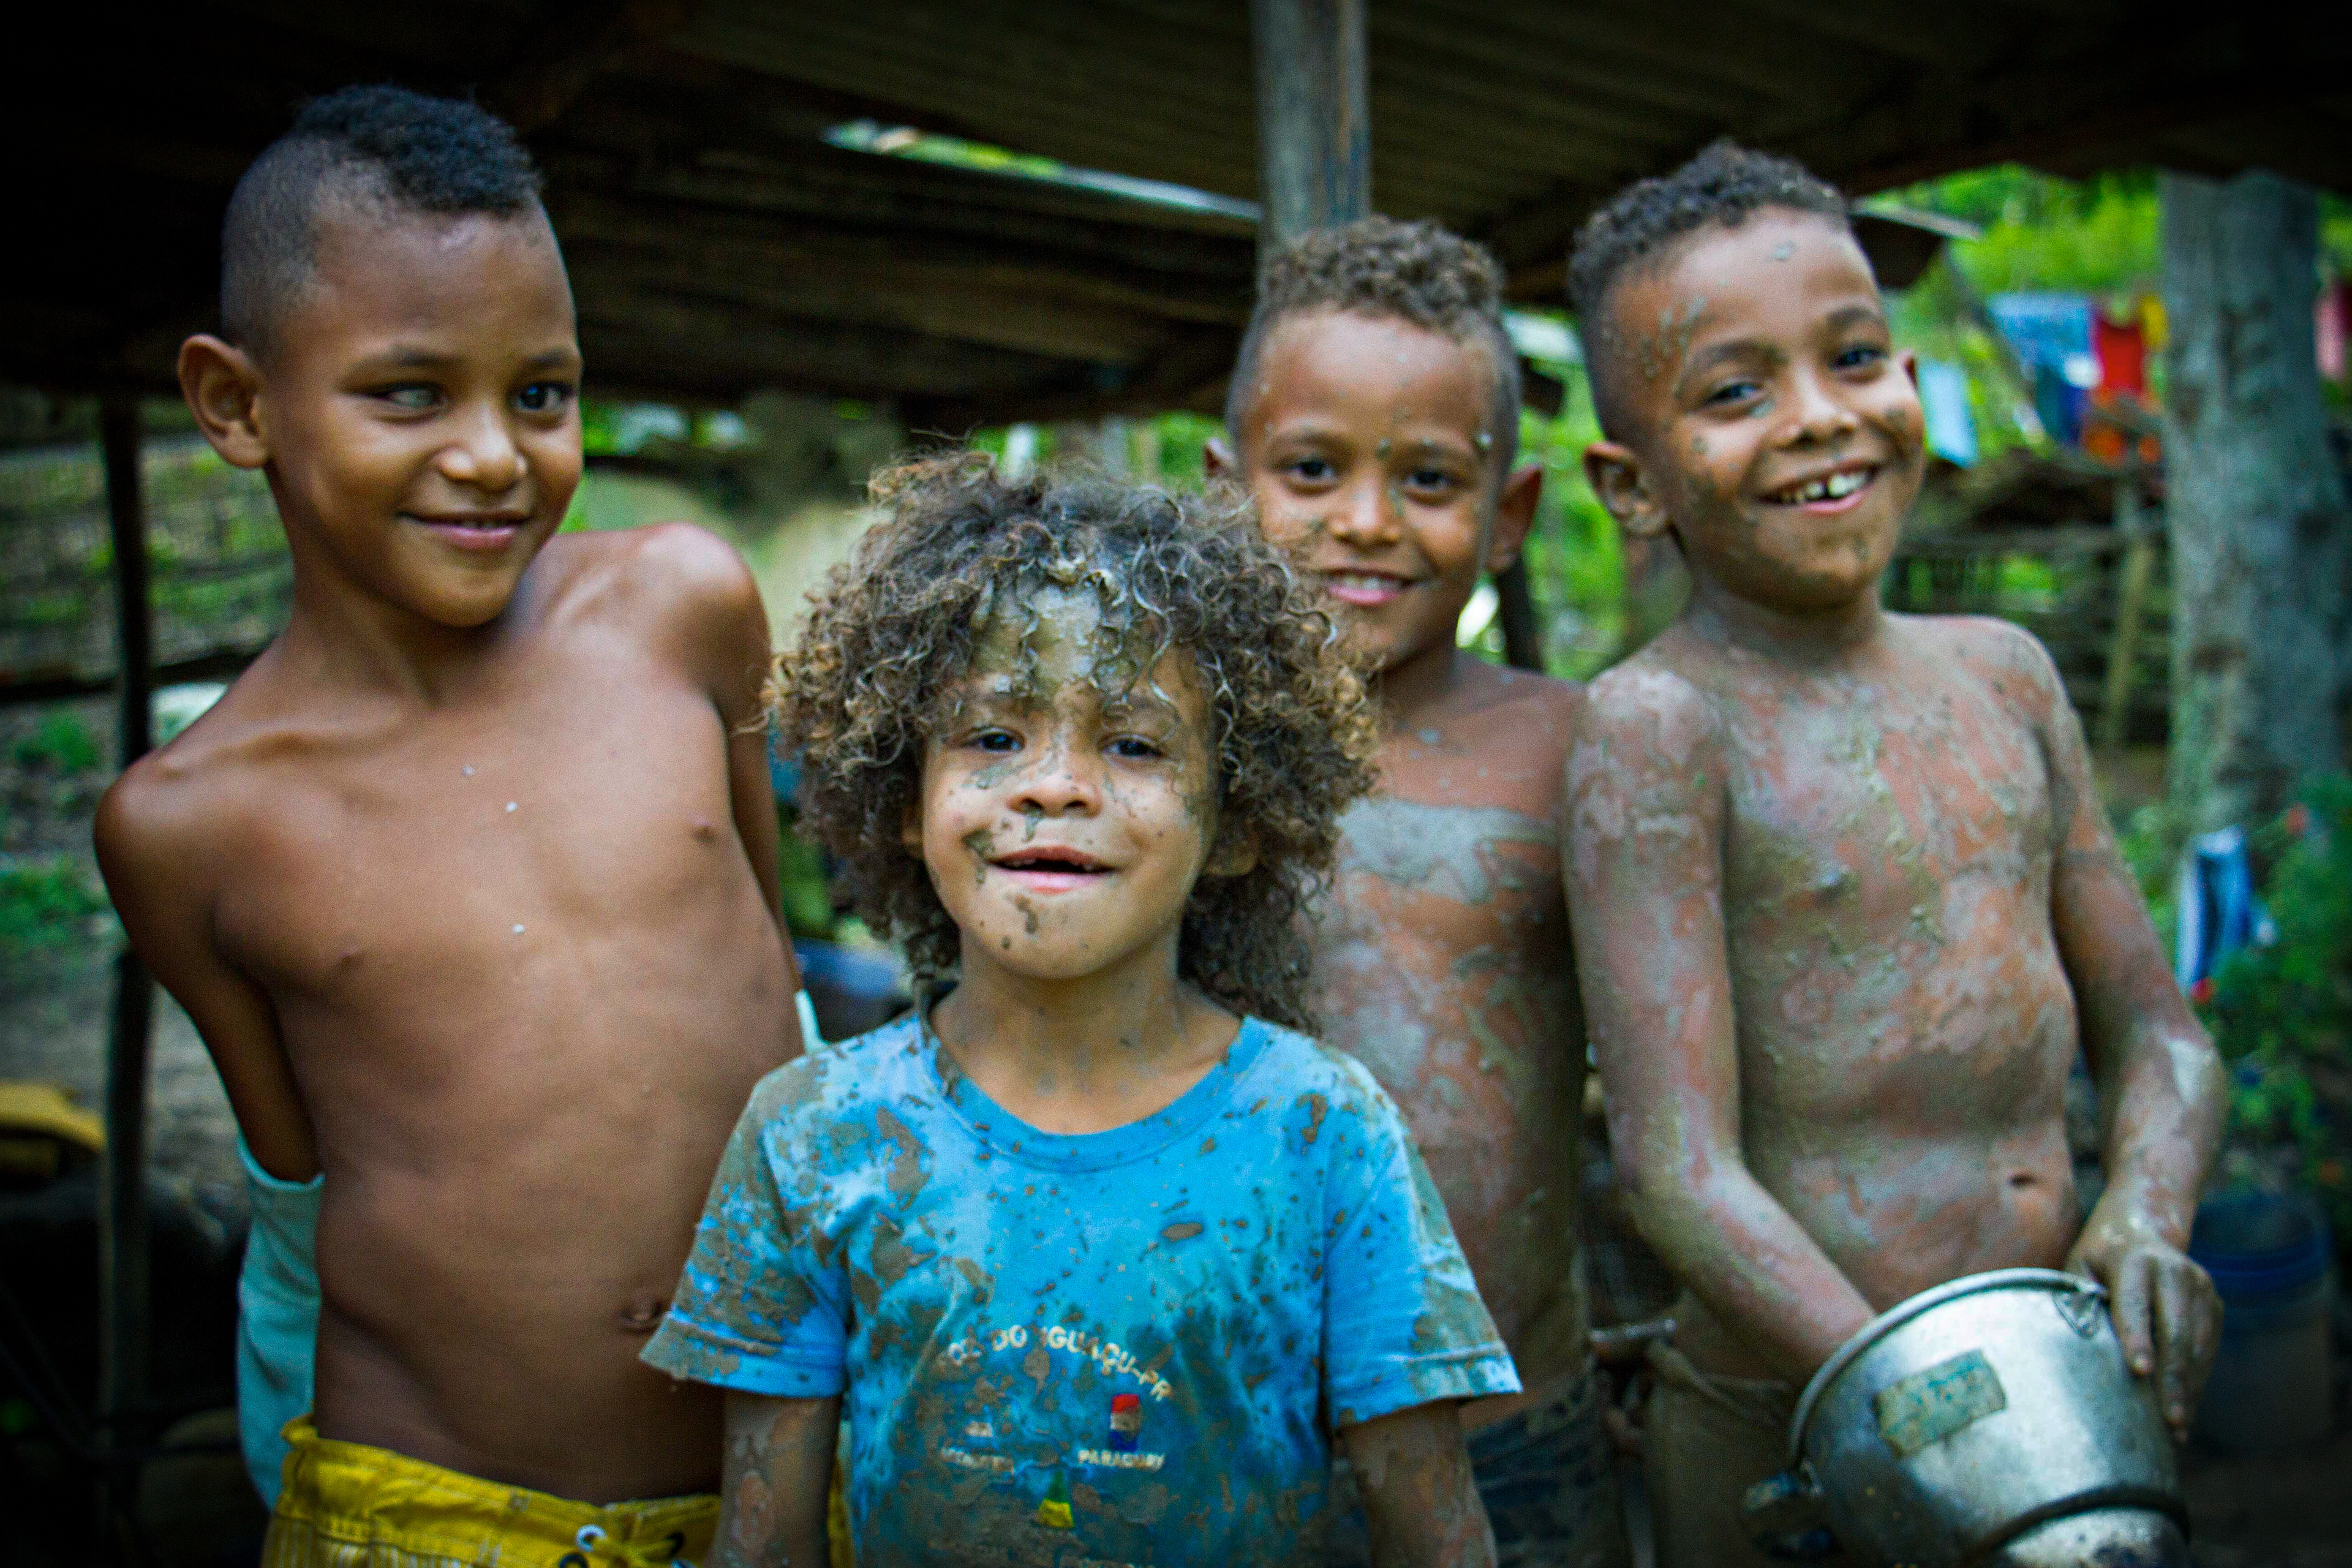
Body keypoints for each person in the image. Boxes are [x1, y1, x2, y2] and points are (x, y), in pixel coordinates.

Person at [94, 85, 801, 1565]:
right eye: (411, 392)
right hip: (440, 1510)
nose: (494, 454)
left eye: (540, 393)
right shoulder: (193, 821)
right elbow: (299, 1193)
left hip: (792, 1476)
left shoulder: (681, 605)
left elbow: (771, 990)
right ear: (237, 405)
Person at [641, 455, 1517, 1565]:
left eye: (1136, 744)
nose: (1053, 786)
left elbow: (1439, 1541)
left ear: (1238, 824)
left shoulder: (1323, 1135)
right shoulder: (814, 1137)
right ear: (903, 798)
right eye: (993, 737)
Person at [1558, 141, 2224, 1568]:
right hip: (1791, 1421)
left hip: (2063, 1401)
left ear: (1911, 380)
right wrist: (1920, 1401)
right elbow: (1675, 1169)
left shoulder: (2011, 677)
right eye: (1735, 390)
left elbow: (2163, 1036)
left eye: (1853, 357)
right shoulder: (1660, 728)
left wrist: (2148, 1215)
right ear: (1632, 483)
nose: (1817, 418)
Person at [1209, 217, 1628, 1566]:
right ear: (1230, 486)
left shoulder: (1578, 746)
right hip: (1217, 1417)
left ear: (1510, 514)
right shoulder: (1160, 746)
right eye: (1314, 469)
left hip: (1514, 1412)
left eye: (1429, 477)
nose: (1368, 521)